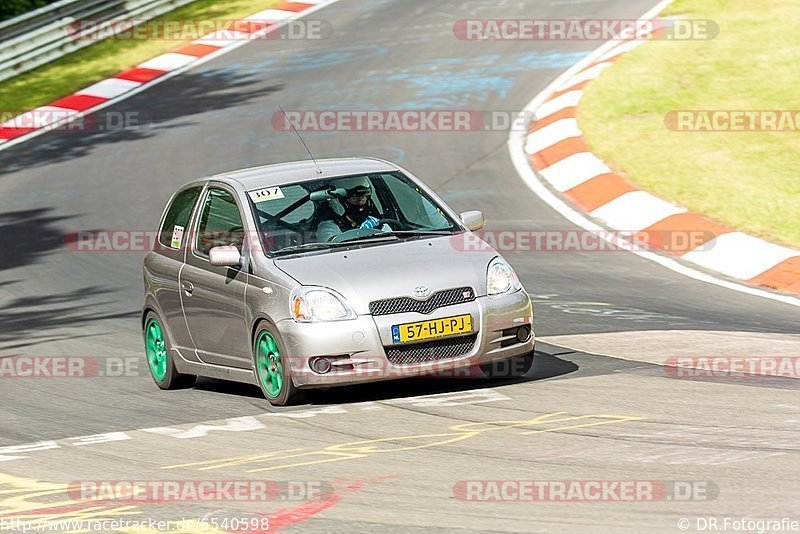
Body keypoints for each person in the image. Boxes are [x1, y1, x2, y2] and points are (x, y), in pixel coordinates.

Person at [316, 176, 389, 242]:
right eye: (354, 198)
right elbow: (332, 248)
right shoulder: (328, 227)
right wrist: (359, 234)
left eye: (363, 198)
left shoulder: (374, 223)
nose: (360, 202)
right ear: (339, 202)